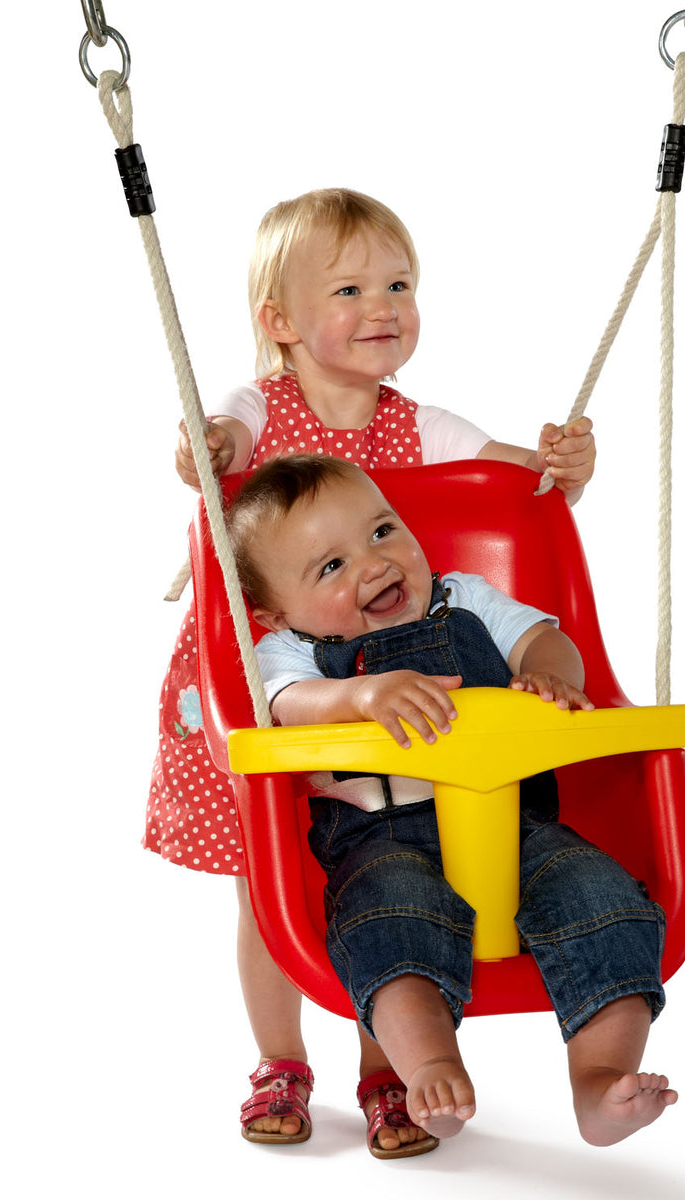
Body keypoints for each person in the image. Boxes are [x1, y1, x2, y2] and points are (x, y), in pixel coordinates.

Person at [146, 188, 597, 1155]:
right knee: (271, 885)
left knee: (391, 867)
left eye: (399, 284)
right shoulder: (256, 410)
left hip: (396, 685)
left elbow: (523, 489)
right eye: (349, 288)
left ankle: (386, 1073)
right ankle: (281, 1060)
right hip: (270, 687)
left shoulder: (424, 426)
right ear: (280, 323)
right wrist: (207, 448)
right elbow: (213, 442)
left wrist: (565, 464)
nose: (383, 305)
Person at [226, 455, 677, 1150]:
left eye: (381, 531)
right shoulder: (289, 652)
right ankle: (430, 1065)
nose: (373, 565)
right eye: (330, 567)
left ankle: (600, 1079)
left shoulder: (464, 598)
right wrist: (361, 695)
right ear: (275, 610)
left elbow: (547, 639)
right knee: (388, 925)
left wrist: (547, 676)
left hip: (520, 829)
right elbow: (287, 708)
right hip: (383, 843)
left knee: (605, 899)